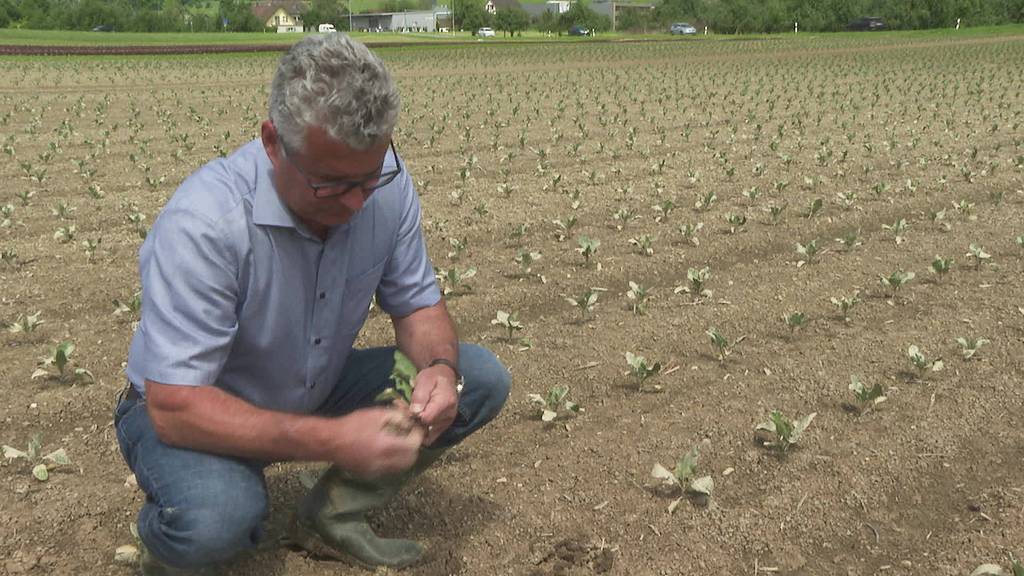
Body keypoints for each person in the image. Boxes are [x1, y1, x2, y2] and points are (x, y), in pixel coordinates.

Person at [113, 33, 510, 575]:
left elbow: (418, 307)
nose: (355, 202)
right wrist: (337, 439)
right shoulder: (206, 223)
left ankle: (335, 515)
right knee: (217, 518)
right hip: (195, 408)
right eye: (330, 185)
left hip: (314, 382)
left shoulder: (384, 190)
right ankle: (170, 545)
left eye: (369, 179)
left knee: (478, 378)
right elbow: (175, 406)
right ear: (273, 142)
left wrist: (439, 369)